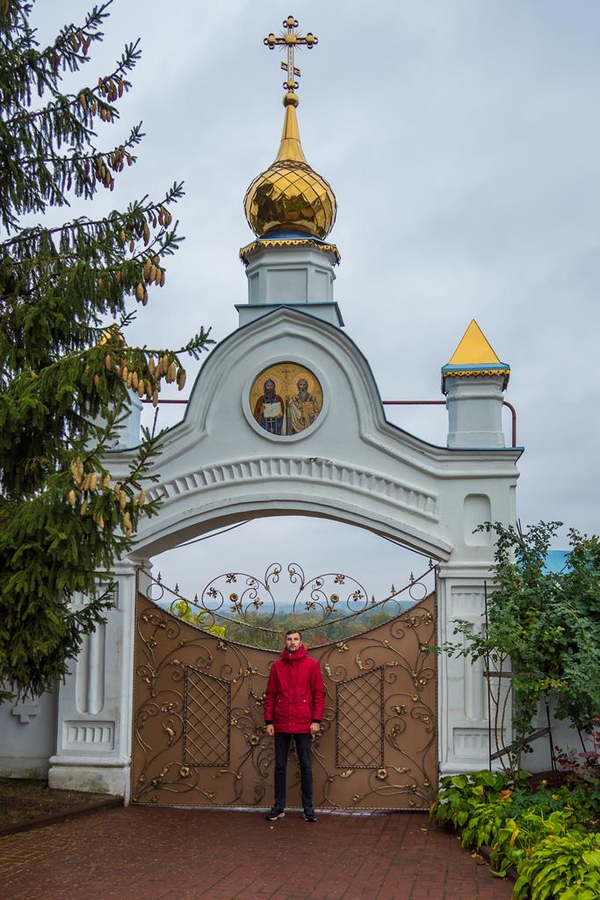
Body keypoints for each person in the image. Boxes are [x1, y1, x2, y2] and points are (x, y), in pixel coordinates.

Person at [264, 629, 325, 822]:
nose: (292, 642)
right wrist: (269, 721)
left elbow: (318, 694)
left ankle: (308, 808)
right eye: (289, 639)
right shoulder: (277, 666)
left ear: (301, 642)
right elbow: (271, 695)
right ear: (285, 641)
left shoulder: (311, 665)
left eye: (296, 639)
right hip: (281, 721)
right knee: (280, 767)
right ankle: (279, 806)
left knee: (306, 766)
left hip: (303, 722)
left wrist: (316, 720)